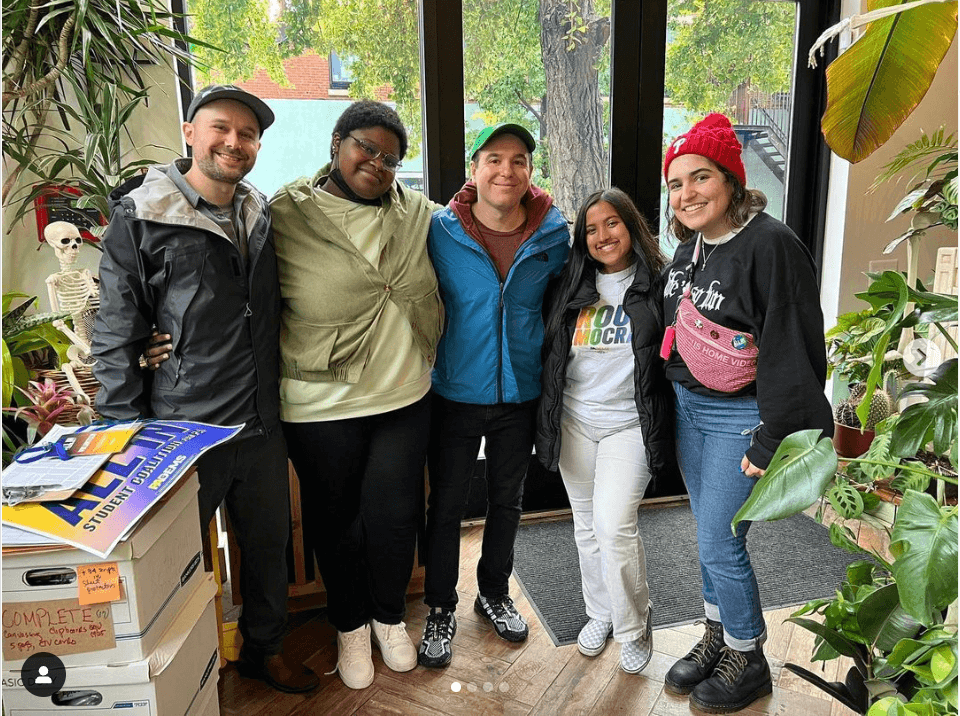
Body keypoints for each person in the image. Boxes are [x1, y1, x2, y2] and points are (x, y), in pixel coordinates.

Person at [92, 85, 319, 693]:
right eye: (222, 128)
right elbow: (115, 329)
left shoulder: (260, 211)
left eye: (247, 135)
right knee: (177, 560)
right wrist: (121, 434)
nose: (234, 143)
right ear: (191, 132)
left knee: (268, 548)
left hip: (260, 420)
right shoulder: (142, 215)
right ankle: (190, 670)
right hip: (181, 430)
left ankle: (264, 650)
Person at [660, 113, 833, 713]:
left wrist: (774, 437)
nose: (686, 195)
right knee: (708, 539)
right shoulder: (694, 246)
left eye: (700, 178)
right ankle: (719, 638)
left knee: (720, 540)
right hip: (691, 410)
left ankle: (748, 655)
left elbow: (794, 344)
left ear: (731, 179)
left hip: (743, 417)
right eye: (676, 184)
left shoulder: (772, 245)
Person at [268, 100, 444, 690]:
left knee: (396, 517)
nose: (376, 163)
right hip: (320, 404)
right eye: (364, 147)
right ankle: (348, 628)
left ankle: (389, 618)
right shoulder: (285, 214)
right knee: (336, 521)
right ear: (337, 143)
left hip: (402, 396)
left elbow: (480, 219)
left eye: (390, 157)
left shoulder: (415, 211)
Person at [418, 124, 570, 668]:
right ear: (474, 169)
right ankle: (440, 606)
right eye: (495, 160)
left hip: (521, 393)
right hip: (454, 390)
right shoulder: (439, 230)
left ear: (531, 170)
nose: (507, 171)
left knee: (508, 501)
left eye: (520, 160)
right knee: (447, 505)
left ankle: (494, 593)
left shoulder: (553, 234)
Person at [536, 187, 679, 674]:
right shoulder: (570, 286)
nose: (602, 235)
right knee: (585, 527)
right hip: (575, 420)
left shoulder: (658, 284)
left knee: (615, 526)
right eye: (591, 229)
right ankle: (600, 613)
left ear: (631, 225)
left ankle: (635, 626)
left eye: (611, 223)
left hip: (629, 424)